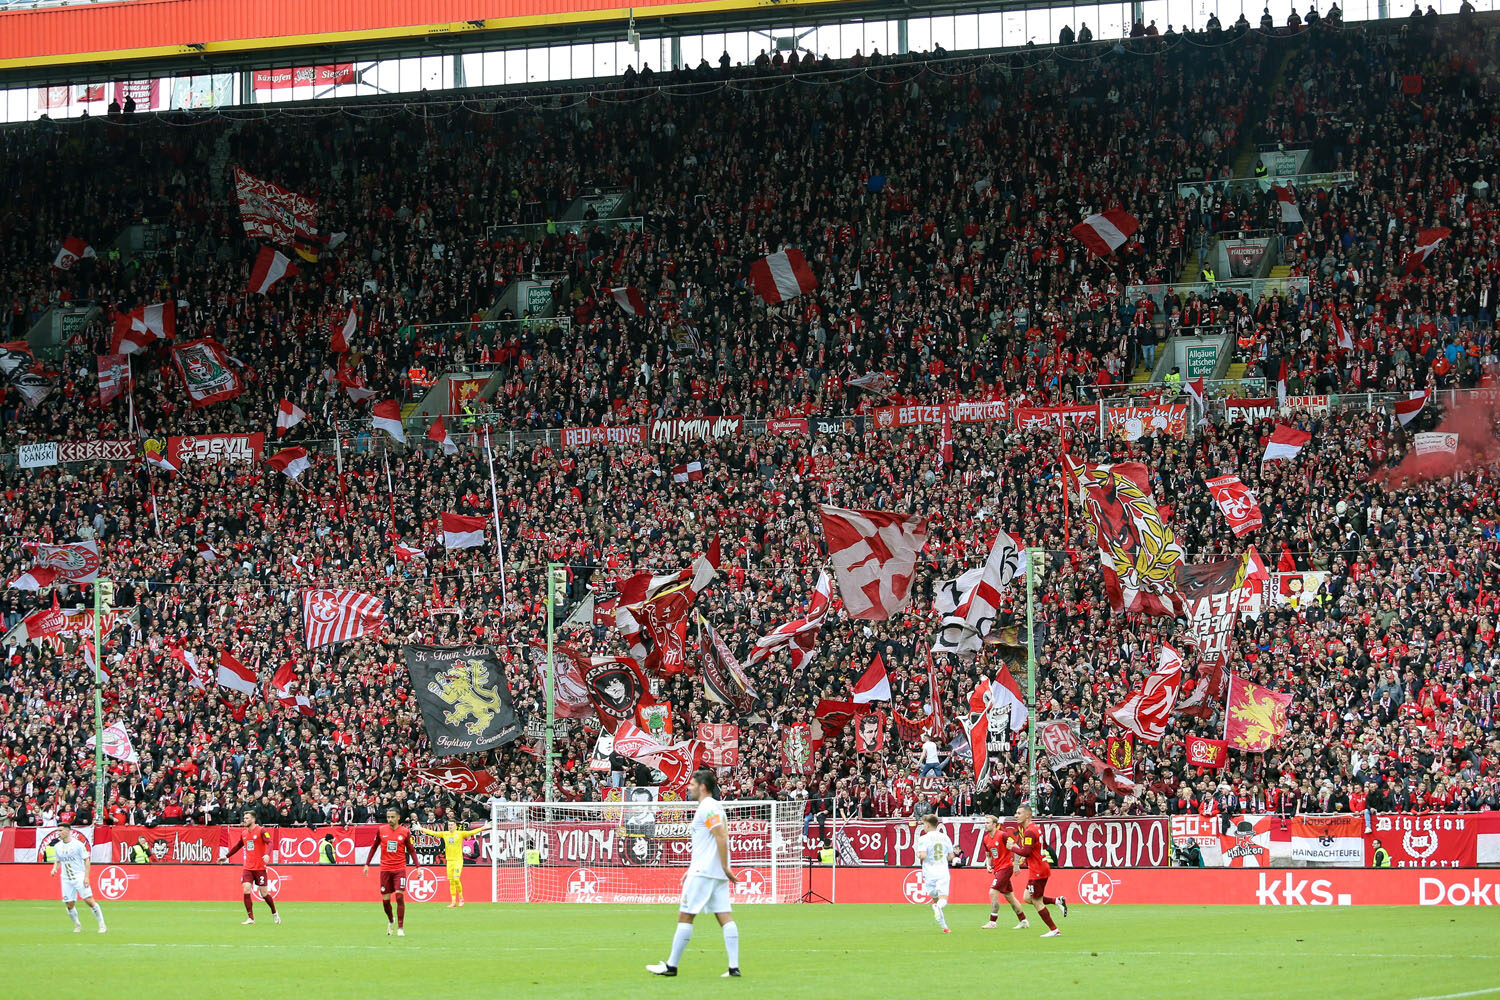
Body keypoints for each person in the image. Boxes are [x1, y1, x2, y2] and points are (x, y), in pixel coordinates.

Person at [647, 769, 740, 978]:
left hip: (705, 872)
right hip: (712, 872)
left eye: (692, 785)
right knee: (724, 916)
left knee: (685, 915)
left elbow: (720, 836)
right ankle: (733, 968)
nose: (688, 788)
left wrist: (726, 867)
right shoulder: (714, 806)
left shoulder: (707, 807)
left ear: (702, 787)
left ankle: (671, 966)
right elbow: (709, 842)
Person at [1008, 805, 1066, 937]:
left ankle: (1054, 929)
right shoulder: (1036, 827)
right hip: (1039, 867)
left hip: (1038, 869)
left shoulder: (1029, 831)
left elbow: (1026, 851)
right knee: (1027, 898)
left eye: (1019, 813)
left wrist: (1012, 848)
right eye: (1016, 813)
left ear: (1027, 815)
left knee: (1036, 901)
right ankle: (1057, 901)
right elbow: (1042, 845)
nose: (1016, 816)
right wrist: (1032, 855)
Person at [413, 818, 492, 907]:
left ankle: (461, 898)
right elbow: (433, 833)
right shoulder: (445, 834)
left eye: (451, 825)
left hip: (458, 860)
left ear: (455, 826)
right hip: (449, 861)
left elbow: (472, 832)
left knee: (456, 879)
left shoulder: (460, 834)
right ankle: (453, 902)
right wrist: (421, 829)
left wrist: (484, 827)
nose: (450, 826)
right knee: (451, 882)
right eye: (449, 825)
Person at [224, 810, 279, 926]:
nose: (245, 820)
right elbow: (238, 846)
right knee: (246, 889)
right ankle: (250, 918)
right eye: (244, 818)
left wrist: (267, 854)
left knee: (264, 893)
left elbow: (270, 843)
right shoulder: (244, 833)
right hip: (248, 867)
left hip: (260, 868)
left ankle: (274, 912)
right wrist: (226, 856)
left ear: (253, 819)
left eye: (247, 818)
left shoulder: (261, 830)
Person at [364, 807, 413, 936]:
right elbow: (374, 847)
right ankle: (391, 920)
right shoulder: (381, 830)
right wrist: (367, 864)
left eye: (392, 817)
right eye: (388, 817)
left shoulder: (405, 832)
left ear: (398, 817)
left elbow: (411, 850)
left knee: (399, 896)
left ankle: (400, 927)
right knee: (386, 901)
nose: (390, 819)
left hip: (399, 868)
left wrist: (418, 867)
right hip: (385, 869)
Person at [51, 824, 105, 934]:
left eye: (60, 830)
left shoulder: (78, 845)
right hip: (66, 878)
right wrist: (54, 868)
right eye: (58, 831)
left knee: (89, 900)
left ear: (67, 831)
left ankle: (102, 925)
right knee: (69, 904)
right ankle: (77, 924)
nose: (58, 833)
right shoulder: (57, 846)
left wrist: (86, 877)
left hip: (79, 876)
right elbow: (58, 860)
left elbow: (86, 860)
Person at [979, 815, 1027, 929]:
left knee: (992, 892)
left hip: (1006, 867)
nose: (985, 825)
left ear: (994, 824)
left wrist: (1016, 865)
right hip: (998, 869)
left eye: (988, 823)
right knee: (1010, 897)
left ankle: (993, 922)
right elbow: (988, 855)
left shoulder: (1003, 835)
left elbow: (1016, 847)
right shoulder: (986, 839)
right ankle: (1023, 920)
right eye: (985, 823)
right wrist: (988, 865)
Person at [915, 813, 953, 933]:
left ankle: (944, 927)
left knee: (935, 899)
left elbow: (923, 855)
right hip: (942, 870)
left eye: (923, 824)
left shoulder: (923, 838)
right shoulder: (945, 837)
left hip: (929, 872)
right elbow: (951, 856)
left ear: (927, 825)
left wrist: (918, 853)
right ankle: (939, 910)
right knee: (943, 899)